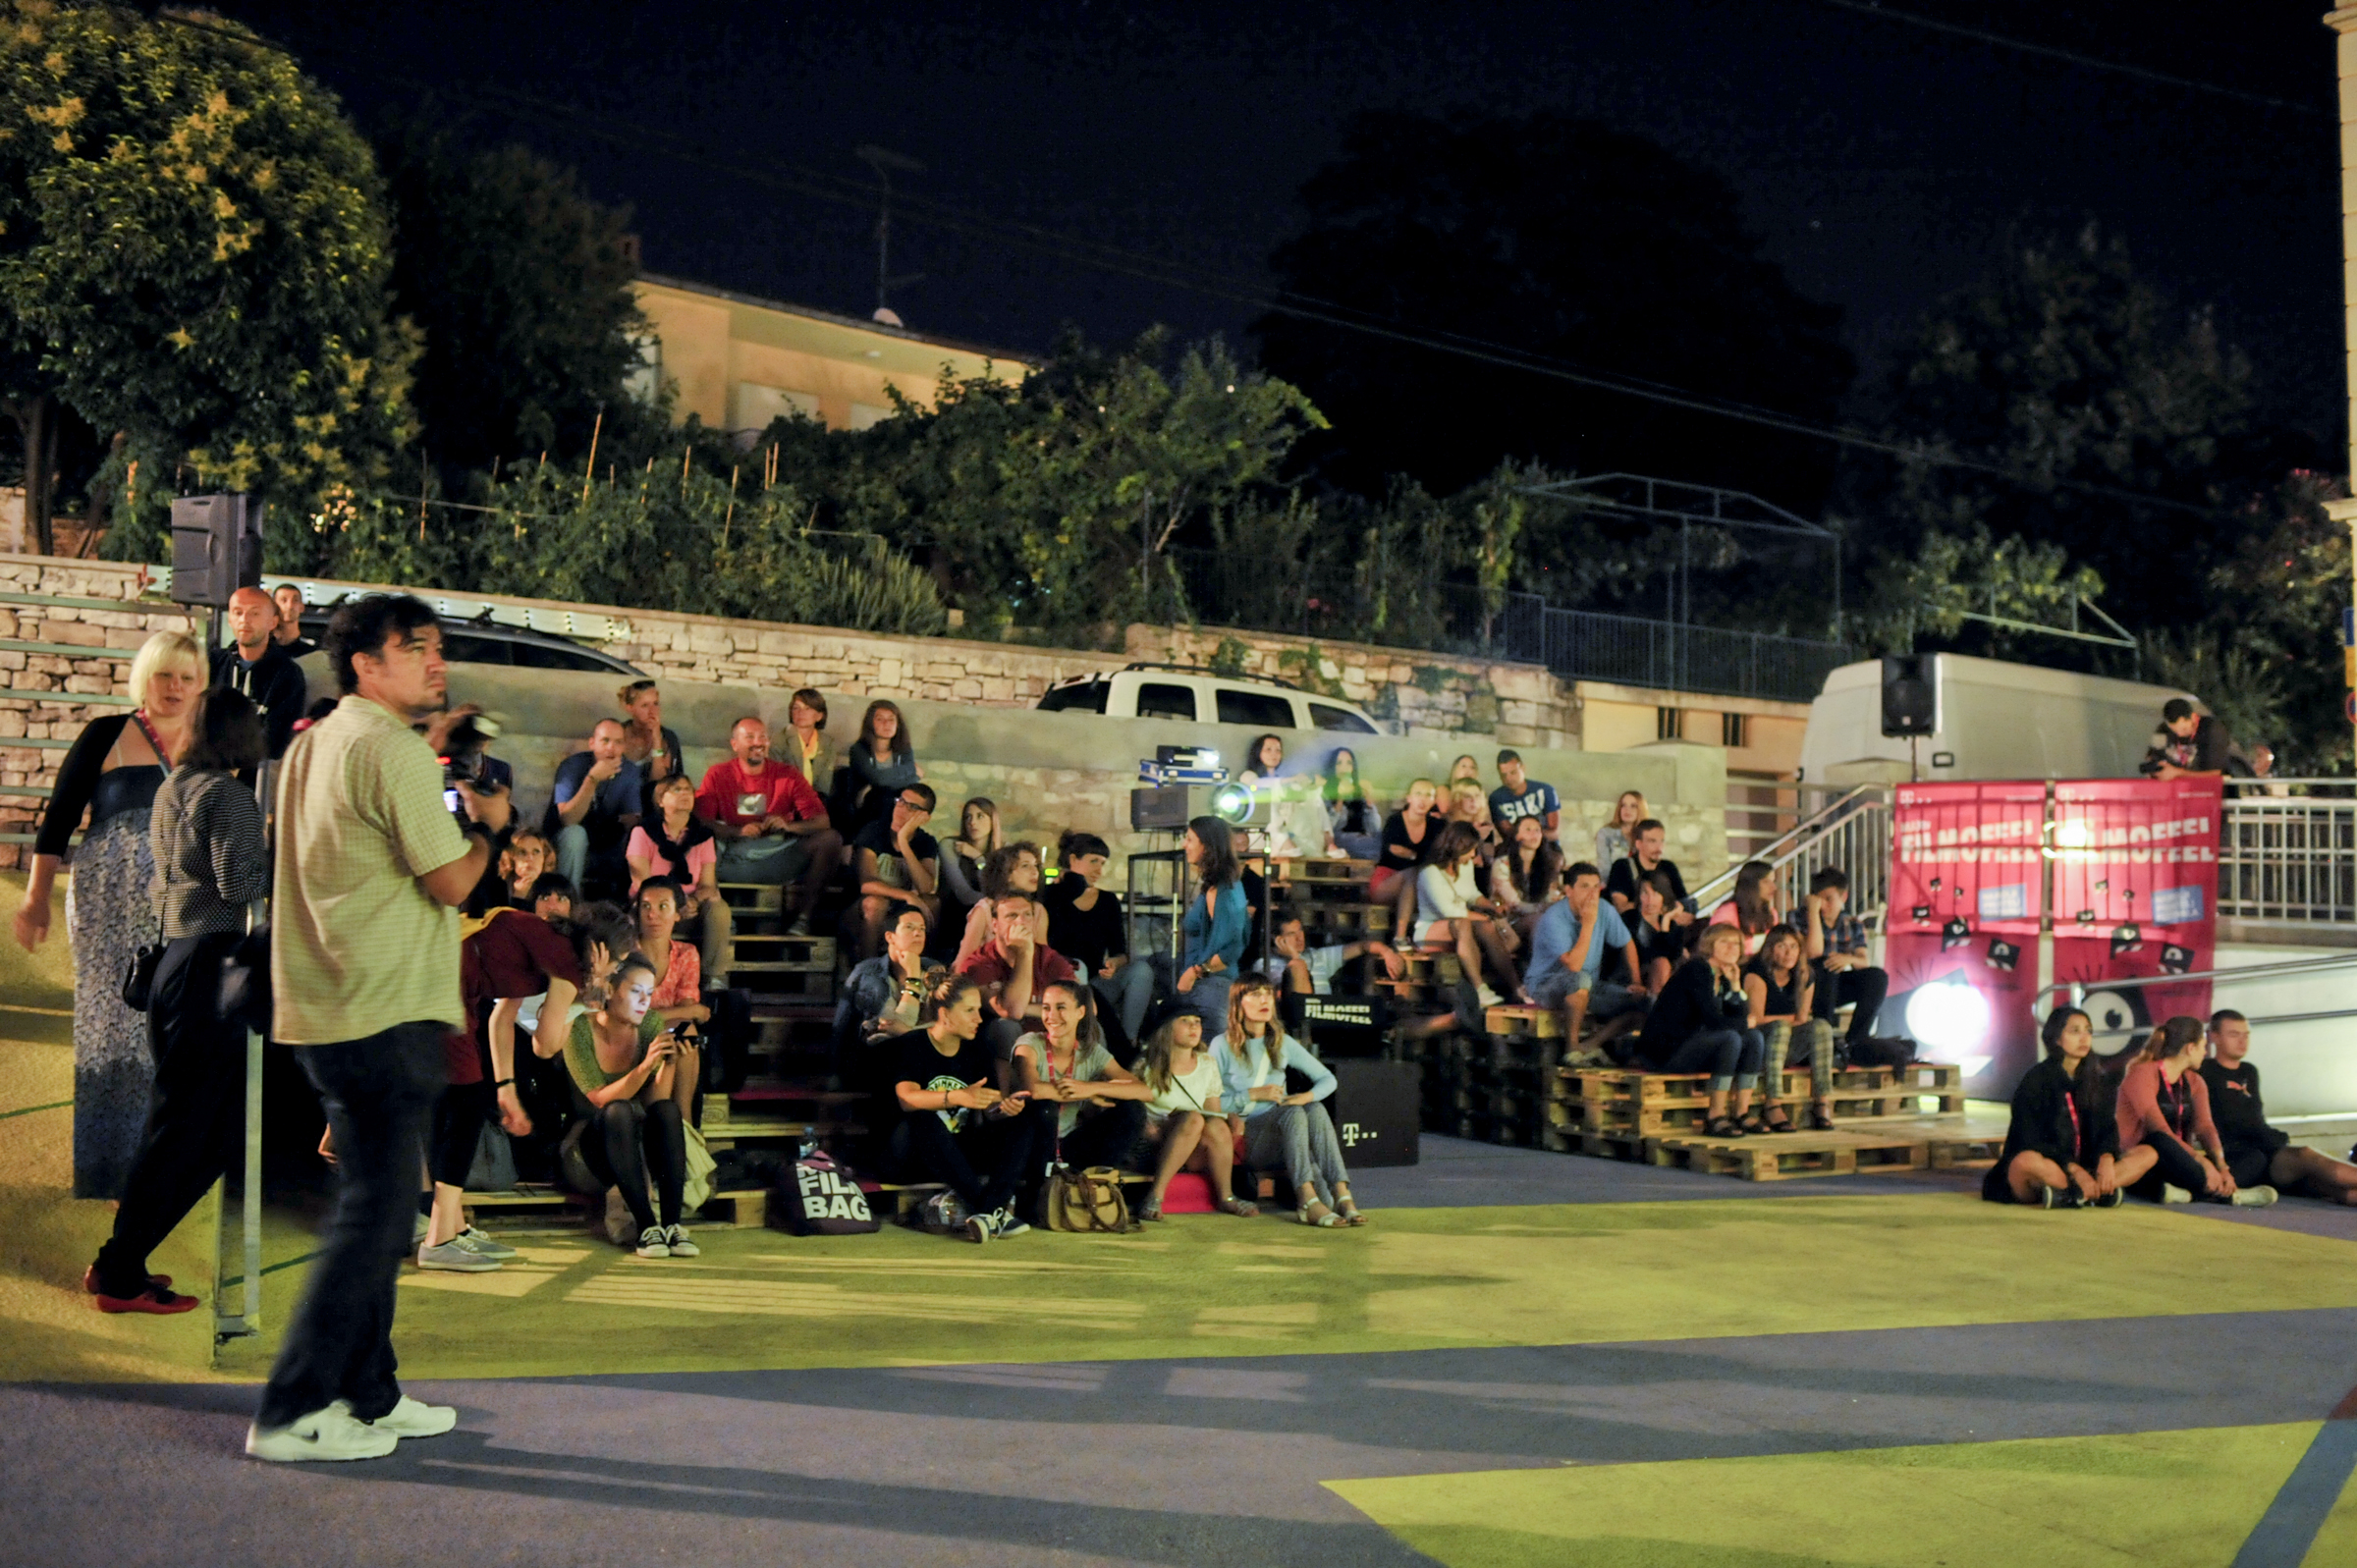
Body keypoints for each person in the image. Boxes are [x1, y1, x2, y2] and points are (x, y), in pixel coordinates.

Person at [250, 592, 514, 1463]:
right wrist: (489, 827)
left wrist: (436, 748)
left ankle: (369, 1393)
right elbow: (452, 880)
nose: (437, 662)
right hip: (383, 1007)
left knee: (379, 1205)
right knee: (373, 1212)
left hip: (329, 1001)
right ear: (367, 662)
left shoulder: (318, 741)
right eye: (417, 647)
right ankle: (292, 1408)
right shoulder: (391, 750)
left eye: (438, 646)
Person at [82, 688, 269, 1314]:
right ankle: (119, 1272)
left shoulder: (174, 786)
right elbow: (238, 885)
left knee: (181, 1128)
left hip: (172, 963)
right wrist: (279, 851)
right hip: (208, 970)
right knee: (191, 1135)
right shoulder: (230, 796)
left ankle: (120, 1262)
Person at [16, 628, 199, 1198]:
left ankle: (160, 1168)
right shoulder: (106, 733)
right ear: (145, 677)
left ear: (201, 685)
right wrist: (35, 898)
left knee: (171, 1031)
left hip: (184, 907)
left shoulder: (212, 742)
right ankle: (108, 1170)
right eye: (165, 674)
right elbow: (59, 820)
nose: (174, 687)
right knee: (110, 1026)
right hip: (106, 904)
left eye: (187, 677)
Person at [460, 899, 633, 1234]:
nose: (615, 972)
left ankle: (447, 1227)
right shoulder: (568, 964)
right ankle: (440, 1229)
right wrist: (590, 992)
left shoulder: (551, 942)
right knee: (459, 1102)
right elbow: (545, 1046)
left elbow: (501, 1019)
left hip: (455, 978)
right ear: (600, 951)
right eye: (617, 963)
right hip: (448, 982)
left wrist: (506, 1089)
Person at [563, 952, 698, 1257]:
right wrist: (645, 1066)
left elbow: (655, 1101)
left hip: (634, 1149)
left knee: (667, 1111)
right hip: (589, 1151)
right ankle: (647, 1226)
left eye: (650, 993)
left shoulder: (649, 1024)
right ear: (611, 990)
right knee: (618, 1110)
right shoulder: (580, 1029)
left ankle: (672, 1225)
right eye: (636, 991)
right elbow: (600, 1099)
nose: (645, 1001)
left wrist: (668, 1062)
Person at [889, 973, 1039, 1242]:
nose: (979, 1019)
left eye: (978, 1010)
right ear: (945, 1014)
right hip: (911, 1154)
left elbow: (988, 1106)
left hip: (957, 1155)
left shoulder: (977, 1049)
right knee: (925, 1118)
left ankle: (988, 1212)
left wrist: (1004, 1109)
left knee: (1022, 1125)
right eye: (970, 1011)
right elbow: (906, 1098)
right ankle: (992, 1211)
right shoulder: (913, 1044)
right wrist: (957, 1097)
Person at [1214, 978, 1365, 1227]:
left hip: (1285, 1136)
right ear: (1238, 1004)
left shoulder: (1281, 1042)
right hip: (1246, 1138)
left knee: (1314, 1108)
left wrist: (1306, 1097)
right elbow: (1208, 1103)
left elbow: (1328, 1079)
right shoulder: (1222, 1045)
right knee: (1293, 1113)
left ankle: (1342, 1194)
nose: (1264, 1000)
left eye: (1267, 994)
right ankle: (1307, 1200)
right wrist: (1251, 1094)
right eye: (1255, 994)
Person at [694, 716, 844, 935]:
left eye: (763, 737)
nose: (758, 742)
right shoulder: (718, 774)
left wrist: (789, 827)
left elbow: (822, 821)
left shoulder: (788, 774)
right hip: (733, 855)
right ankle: (720, 919)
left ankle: (802, 919)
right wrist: (737, 831)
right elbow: (701, 821)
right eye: (750, 737)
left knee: (831, 839)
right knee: (698, 839)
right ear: (735, 744)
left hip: (777, 855)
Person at [1984, 1007, 2140, 1208]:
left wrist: (2106, 1159)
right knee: (2027, 1162)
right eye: (2075, 1031)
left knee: (2147, 1153)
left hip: (2087, 1168)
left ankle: (2074, 1194)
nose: (2084, 1038)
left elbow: (2107, 1128)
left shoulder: (2097, 1080)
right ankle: (2090, 1192)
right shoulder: (2036, 1080)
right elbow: (2029, 1139)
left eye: (2088, 1031)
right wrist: (2073, 1169)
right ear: (2057, 1038)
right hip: (2053, 1166)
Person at [1010, 978, 1153, 1196]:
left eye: (1061, 1007)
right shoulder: (1030, 1043)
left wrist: (1091, 1088)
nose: (1051, 1016)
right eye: (1046, 1008)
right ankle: (1037, 1194)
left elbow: (1144, 1091)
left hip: (1069, 1145)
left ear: (1080, 1012)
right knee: (1045, 1108)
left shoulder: (1091, 1052)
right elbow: (1034, 1090)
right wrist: (1079, 1094)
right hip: (1032, 1145)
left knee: (1132, 1110)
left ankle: (1098, 1186)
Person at [2203, 1010, 2357, 1205]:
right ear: (2215, 1037)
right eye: (2234, 1035)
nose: (2242, 1041)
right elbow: (2234, 1122)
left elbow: (2254, 1118)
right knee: (2306, 1155)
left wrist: (2270, 1136)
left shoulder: (2248, 1071)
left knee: (2331, 1187)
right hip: (2240, 1153)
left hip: (2264, 1150)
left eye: (2246, 1035)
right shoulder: (2205, 1071)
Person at [2116, 1015, 2269, 1205]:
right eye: (2203, 1046)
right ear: (2190, 1048)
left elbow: (2205, 1127)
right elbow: (2159, 1129)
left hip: (2184, 1160)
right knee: (2160, 1141)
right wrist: (2202, 1162)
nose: (2205, 1052)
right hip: (2152, 1155)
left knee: (2255, 1158)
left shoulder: (2195, 1081)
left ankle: (2198, 1191)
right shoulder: (2142, 1073)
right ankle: (2222, 1193)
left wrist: (2221, 1167)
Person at [1636, 925, 1766, 1138]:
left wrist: (1735, 986)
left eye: (1736, 943)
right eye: (1724, 942)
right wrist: (1743, 1024)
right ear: (1709, 945)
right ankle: (1715, 1115)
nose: (1732, 948)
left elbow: (1738, 1018)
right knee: (1731, 1037)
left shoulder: (1724, 975)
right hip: (1668, 1051)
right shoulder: (1697, 969)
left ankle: (1741, 1112)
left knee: (1754, 1037)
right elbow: (1713, 1020)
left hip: (1697, 1045)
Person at [1134, 1008, 1256, 1220]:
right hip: (1154, 1144)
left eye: (1197, 1022)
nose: (1194, 1026)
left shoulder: (1207, 1063)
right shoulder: (1145, 1064)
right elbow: (1129, 1108)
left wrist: (1230, 1118)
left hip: (1192, 1145)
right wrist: (1145, 1128)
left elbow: (1213, 1113)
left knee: (1215, 1124)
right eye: (1185, 1021)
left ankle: (1227, 1197)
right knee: (1192, 1119)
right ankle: (1155, 1195)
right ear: (1166, 1029)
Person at [1041, 830, 1155, 1047]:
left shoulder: (1107, 901)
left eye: (1102, 863)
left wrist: (1114, 964)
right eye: (1093, 861)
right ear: (1073, 860)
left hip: (1095, 983)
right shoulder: (1051, 895)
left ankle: (1128, 1041)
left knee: (1141, 971)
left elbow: (1120, 951)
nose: (1099, 870)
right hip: (1060, 983)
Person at [1522, 862, 1647, 1054]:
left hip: (1589, 987)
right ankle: (1571, 1049)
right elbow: (1573, 966)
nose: (1592, 893)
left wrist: (1636, 982)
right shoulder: (1554, 918)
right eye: (1585, 887)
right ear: (1569, 890)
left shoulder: (1603, 908)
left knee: (1644, 1002)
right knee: (1580, 979)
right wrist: (1588, 924)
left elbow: (1626, 942)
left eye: (1596, 887)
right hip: (1545, 985)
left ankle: (1588, 1047)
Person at [625, 771, 734, 989]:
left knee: (719, 909)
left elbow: (707, 884)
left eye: (688, 790)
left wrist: (692, 901)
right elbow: (642, 883)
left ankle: (713, 978)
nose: (684, 794)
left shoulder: (703, 836)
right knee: (645, 906)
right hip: (653, 904)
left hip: (689, 907)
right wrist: (673, 905)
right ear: (660, 800)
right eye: (676, 790)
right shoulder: (643, 832)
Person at [1415, 820, 1531, 1008]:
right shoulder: (1430, 873)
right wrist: (1482, 916)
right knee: (1465, 923)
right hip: (1430, 929)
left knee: (1486, 926)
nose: (1473, 855)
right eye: (1470, 850)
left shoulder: (1465, 865)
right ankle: (1479, 989)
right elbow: (1448, 911)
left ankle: (1517, 987)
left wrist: (1491, 907)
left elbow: (1471, 894)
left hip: (1461, 925)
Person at [958, 891, 1077, 1061]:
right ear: (995, 925)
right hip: (1004, 1043)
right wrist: (1025, 953)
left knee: (1090, 1026)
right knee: (1006, 1027)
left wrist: (1029, 1009)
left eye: (1027, 915)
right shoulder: (979, 963)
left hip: (1049, 1036)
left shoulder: (1049, 958)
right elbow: (1012, 1011)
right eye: (1012, 916)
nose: (1021, 921)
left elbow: (1084, 1007)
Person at [833, 902, 942, 1084]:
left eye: (922, 929)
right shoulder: (867, 973)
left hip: (924, 1063)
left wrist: (905, 1031)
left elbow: (943, 1026)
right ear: (890, 937)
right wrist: (913, 976)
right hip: (879, 1061)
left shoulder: (934, 969)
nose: (918, 933)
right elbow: (885, 1026)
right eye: (910, 927)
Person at [1745, 924, 1834, 1133]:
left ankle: (1822, 1101)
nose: (1789, 953)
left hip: (1786, 1043)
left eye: (1794, 947)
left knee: (1821, 1026)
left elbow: (1803, 1017)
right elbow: (1756, 1019)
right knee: (1781, 1027)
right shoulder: (1757, 972)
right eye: (1782, 947)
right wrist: (1789, 1020)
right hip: (1760, 1043)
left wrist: (1792, 1019)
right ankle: (1772, 1103)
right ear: (1770, 949)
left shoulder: (1805, 974)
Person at [1790, 867, 1888, 1056]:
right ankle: (1824, 1038)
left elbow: (1863, 962)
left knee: (1877, 977)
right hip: (1806, 985)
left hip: (1835, 986)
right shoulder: (1799, 917)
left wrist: (1847, 958)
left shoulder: (1852, 924)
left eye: (1829, 899)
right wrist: (1813, 913)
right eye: (1819, 900)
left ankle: (1856, 1040)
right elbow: (1813, 952)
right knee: (1825, 963)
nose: (1823, 906)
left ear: (1843, 897)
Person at [210, 585, 310, 759]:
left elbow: (277, 742)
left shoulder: (288, 674)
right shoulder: (212, 663)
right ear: (230, 619)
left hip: (257, 773)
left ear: (272, 622)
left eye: (254, 613)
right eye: (238, 612)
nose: (244, 620)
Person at [548, 717, 643, 899]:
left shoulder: (629, 771)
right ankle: (568, 901)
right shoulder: (572, 766)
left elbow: (632, 819)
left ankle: (624, 904)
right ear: (592, 743)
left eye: (618, 742)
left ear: (624, 747)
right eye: (605, 740)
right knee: (575, 834)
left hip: (607, 838)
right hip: (568, 839)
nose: (611, 748)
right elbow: (568, 819)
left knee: (636, 837)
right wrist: (592, 779)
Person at [851, 782, 941, 960]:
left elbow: (926, 887)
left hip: (900, 911)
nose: (901, 809)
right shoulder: (874, 831)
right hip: (859, 910)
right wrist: (907, 895)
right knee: (875, 903)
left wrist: (904, 842)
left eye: (912, 807)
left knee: (932, 903)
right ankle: (870, 968)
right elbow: (867, 884)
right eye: (901, 801)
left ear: (924, 817)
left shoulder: (925, 842)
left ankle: (921, 965)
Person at [1178, 815, 1249, 1032]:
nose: (1184, 845)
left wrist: (1194, 972)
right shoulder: (1218, 885)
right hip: (1206, 982)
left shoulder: (1222, 890)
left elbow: (1233, 948)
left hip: (1211, 986)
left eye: (1190, 839)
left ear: (1207, 847)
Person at [634, 877, 713, 1037]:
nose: (652, 914)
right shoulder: (626, 952)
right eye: (646, 906)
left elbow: (686, 1012)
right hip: (628, 1033)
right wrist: (691, 1011)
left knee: (687, 1031)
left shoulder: (685, 954)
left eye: (662, 906)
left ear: (677, 914)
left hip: (668, 1031)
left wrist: (689, 1011)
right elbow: (628, 1015)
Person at [956, 839, 1056, 964]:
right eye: (1025, 866)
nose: (1035, 872)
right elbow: (963, 961)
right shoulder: (985, 910)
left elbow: (1043, 961)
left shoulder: (1038, 910)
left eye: (1036, 865)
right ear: (1007, 874)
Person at [1371, 777, 1444, 939]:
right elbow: (1394, 850)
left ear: (1434, 801)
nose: (1422, 799)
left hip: (1420, 884)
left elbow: (1440, 854)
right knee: (1413, 874)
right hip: (1387, 880)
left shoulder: (1437, 825)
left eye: (1428, 795)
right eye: (1418, 794)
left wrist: (1412, 855)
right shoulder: (1395, 820)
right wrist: (1419, 857)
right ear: (1409, 798)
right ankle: (1400, 937)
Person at [845, 697, 922, 832]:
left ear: (898, 724)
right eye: (880, 719)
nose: (886, 724)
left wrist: (910, 777)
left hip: (897, 805)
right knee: (883, 796)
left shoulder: (904, 750)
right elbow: (878, 779)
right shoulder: (859, 750)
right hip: (865, 808)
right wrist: (913, 772)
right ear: (870, 723)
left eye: (891, 719)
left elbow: (911, 784)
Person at [1606, 819, 1693, 933]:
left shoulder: (1668, 867)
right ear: (1638, 844)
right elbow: (1621, 907)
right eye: (1652, 841)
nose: (1659, 847)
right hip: (1634, 931)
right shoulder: (1623, 866)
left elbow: (1684, 903)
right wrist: (1666, 911)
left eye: (1661, 841)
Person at [1491, 813, 1564, 940]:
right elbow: (1513, 903)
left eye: (1537, 830)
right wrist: (1542, 908)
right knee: (1540, 922)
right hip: (1510, 920)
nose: (1534, 834)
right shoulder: (1502, 864)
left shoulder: (1547, 864)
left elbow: (1551, 895)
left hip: (1541, 915)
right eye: (1528, 830)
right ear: (1517, 836)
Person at [939, 795, 1001, 932]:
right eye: (968, 817)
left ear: (992, 820)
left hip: (991, 919)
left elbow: (992, 888)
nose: (972, 822)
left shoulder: (1002, 852)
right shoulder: (949, 845)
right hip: (956, 915)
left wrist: (978, 858)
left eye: (980, 816)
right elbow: (964, 895)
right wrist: (998, 901)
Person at [613, 678, 685, 794]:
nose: (652, 711)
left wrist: (657, 740)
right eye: (645, 705)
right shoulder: (617, 733)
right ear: (630, 708)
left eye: (656, 704)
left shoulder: (668, 738)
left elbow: (662, 786)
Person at [1631, 870, 1693, 994]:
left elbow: (1675, 955)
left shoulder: (1672, 925)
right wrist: (1666, 922)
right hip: (1640, 975)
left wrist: (1666, 921)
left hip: (1669, 976)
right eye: (1645, 893)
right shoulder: (1631, 920)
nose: (1650, 900)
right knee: (1661, 963)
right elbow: (1656, 955)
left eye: (1655, 893)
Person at [2142, 697, 2230, 781]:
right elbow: (2151, 757)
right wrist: (2154, 768)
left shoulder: (2212, 729)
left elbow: (2216, 773)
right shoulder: (2163, 730)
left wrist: (2178, 773)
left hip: (2203, 788)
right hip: (2173, 788)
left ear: (2193, 717)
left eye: (2184, 729)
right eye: (2174, 731)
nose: (2179, 735)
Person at [1708, 860, 1780, 957]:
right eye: (1766, 882)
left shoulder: (1771, 913)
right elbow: (1715, 949)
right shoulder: (1727, 912)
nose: (1773, 887)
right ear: (1750, 884)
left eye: (1773, 881)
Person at [1487, 749, 1561, 841]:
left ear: (1523, 768)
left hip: (1547, 847)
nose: (1509, 778)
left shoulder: (1545, 790)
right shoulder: (1496, 798)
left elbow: (1554, 833)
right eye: (1503, 775)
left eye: (1513, 772)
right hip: (1517, 847)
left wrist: (1529, 836)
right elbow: (1507, 835)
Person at [1326, 747, 1382, 862]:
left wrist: (1369, 800)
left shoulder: (1359, 790)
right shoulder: (1326, 791)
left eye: (1349, 763)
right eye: (1339, 763)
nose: (1344, 768)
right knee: (1378, 846)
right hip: (1339, 839)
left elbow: (1374, 828)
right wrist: (1340, 799)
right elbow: (1329, 828)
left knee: (1385, 839)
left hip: (1362, 839)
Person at [779, 686, 832, 793]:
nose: (801, 712)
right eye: (796, 708)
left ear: (819, 716)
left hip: (816, 799)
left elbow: (824, 785)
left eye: (807, 708)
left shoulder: (828, 742)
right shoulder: (779, 740)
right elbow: (779, 782)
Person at [1596, 789, 1647, 876]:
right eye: (1623, 805)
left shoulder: (1646, 833)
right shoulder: (1606, 833)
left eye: (1633, 806)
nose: (1627, 810)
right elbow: (1604, 868)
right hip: (1614, 881)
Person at [269, 584, 317, 656]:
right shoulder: (262, 649)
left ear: (302, 607)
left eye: (295, 600)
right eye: (283, 600)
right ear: (273, 606)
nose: (290, 606)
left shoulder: (311, 653)